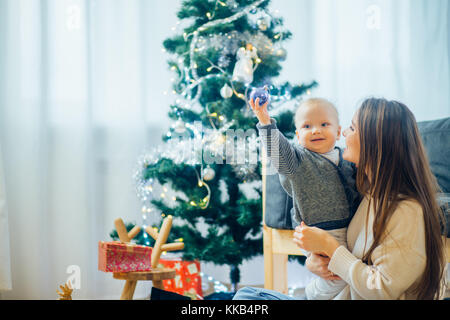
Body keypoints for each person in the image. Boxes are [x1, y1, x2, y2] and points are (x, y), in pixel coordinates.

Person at [234, 97, 447, 300]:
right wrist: (313, 260)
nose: (344, 133)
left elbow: (381, 288)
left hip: (334, 292)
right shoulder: (368, 193)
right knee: (248, 295)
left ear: (375, 141)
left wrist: (330, 248)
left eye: (352, 128)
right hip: (334, 286)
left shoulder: (405, 210)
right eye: (307, 127)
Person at [245, 95, 360, 300]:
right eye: (307, 126)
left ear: (338, 131)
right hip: (319, 231)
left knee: (351, 276)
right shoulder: (298, 160)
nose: (316, 130)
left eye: (324, 124)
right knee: (336, 276)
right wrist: (264, 119)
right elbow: (279, 153)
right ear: (298, 135)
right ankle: (310, 296)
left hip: (352, 228)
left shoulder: (347, 158)